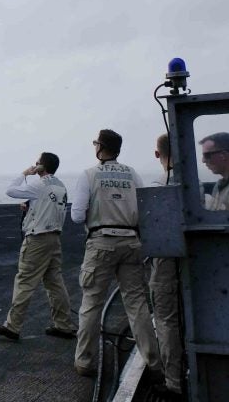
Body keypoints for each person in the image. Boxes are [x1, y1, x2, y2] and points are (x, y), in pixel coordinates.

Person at [71, 129, 162, 378]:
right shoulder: (133, 174)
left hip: (101, 243)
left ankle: (85, 361)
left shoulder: (89, 175)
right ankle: (154, 362)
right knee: (136, 303)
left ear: (100, 147)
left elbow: (77, 215)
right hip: (131, 243)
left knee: (91, 304)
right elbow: (144, 209)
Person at [0, 152, 77, 341]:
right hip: (54, 238)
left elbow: (11, 190)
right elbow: (49, 205)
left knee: (25, 281)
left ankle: (13, 326)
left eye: (37, 163)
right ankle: (64, 325)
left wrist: (25, 173)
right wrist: (31, 207)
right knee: (55, 283)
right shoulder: (61, 185)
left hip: (37, 239)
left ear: (41, 166)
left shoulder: (37, 184)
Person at [149, 134, 184, 399]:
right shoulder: (192, 180)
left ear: (157, 154)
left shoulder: (160, 184)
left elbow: (152, 229)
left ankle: (173, 382)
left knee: (166, 319)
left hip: (166, 260)